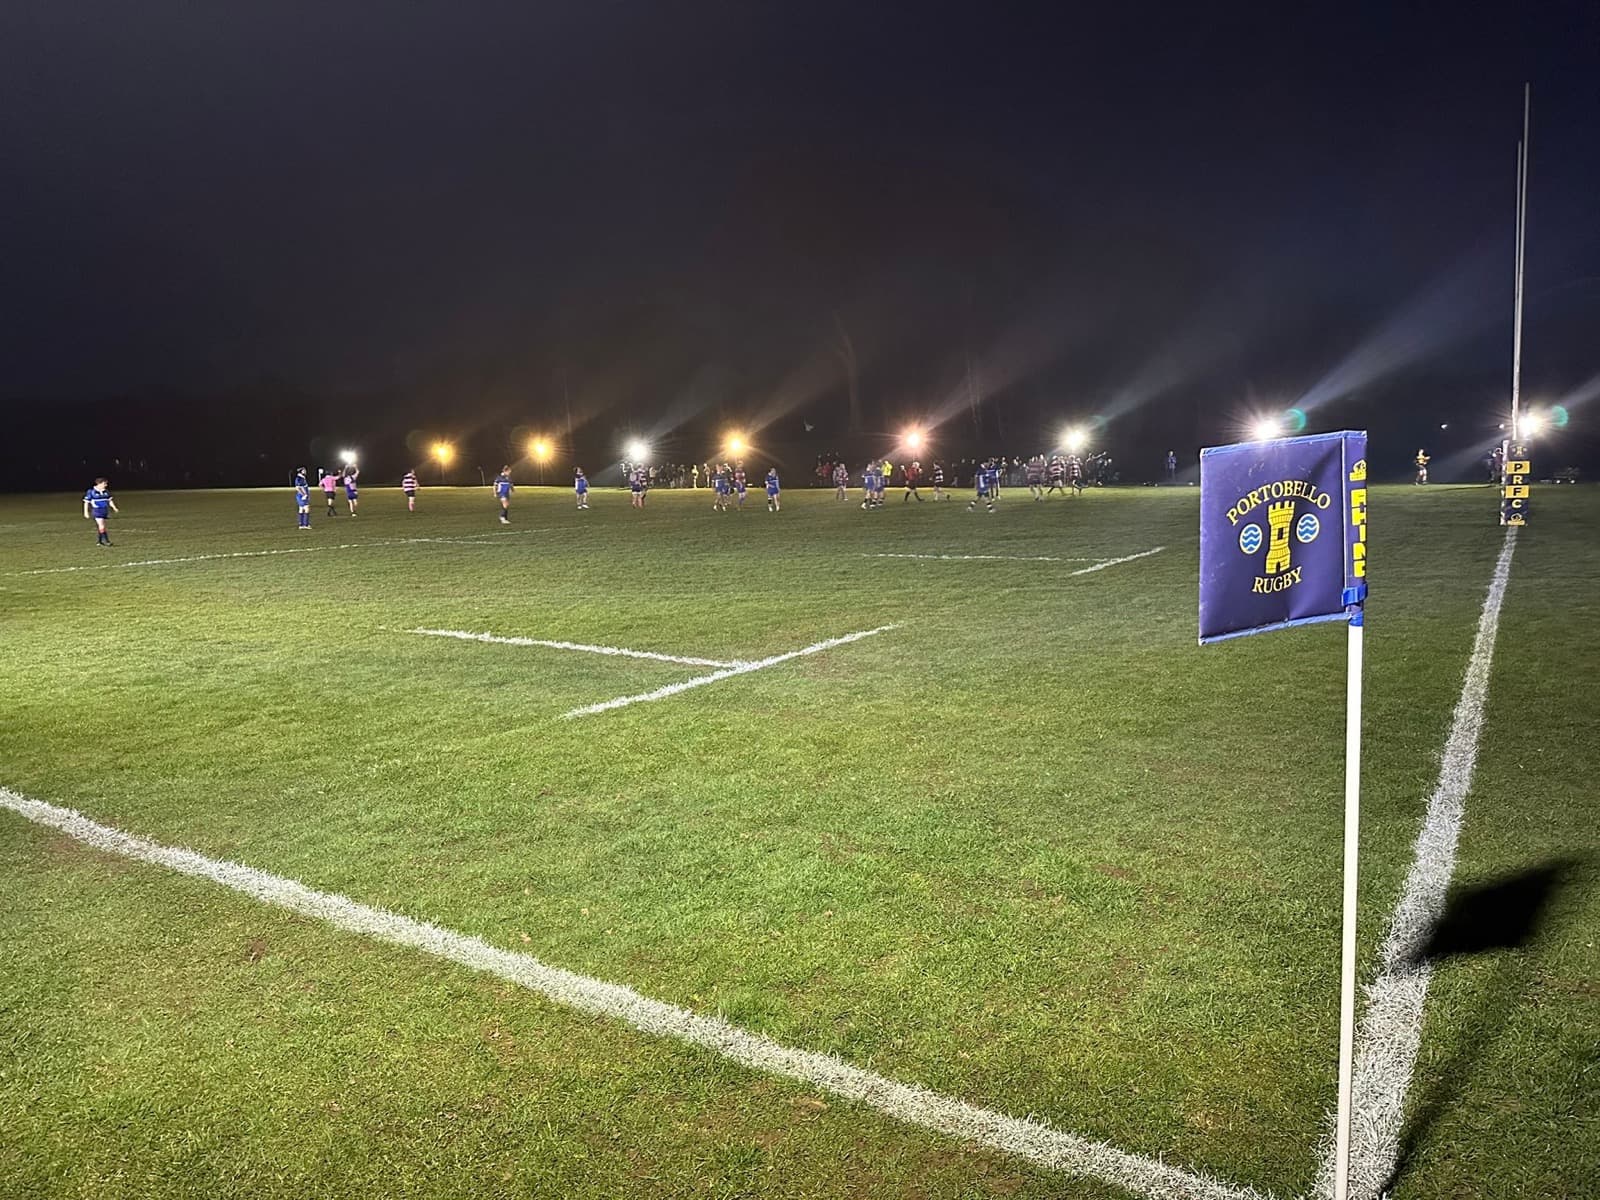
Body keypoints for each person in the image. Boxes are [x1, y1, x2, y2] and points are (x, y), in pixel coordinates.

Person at [83, 477, 118, 546]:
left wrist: (114, 507)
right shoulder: (91, 491)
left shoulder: (106, 491)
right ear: (99, 483)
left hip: (104, 510)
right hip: (97, 511)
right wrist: (86, 512)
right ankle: (107, 541)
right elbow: (86, 502)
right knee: (102, 526)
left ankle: (99, 542)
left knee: (101, 526)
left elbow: (110, 500)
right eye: (105, 483)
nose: (106, 485)